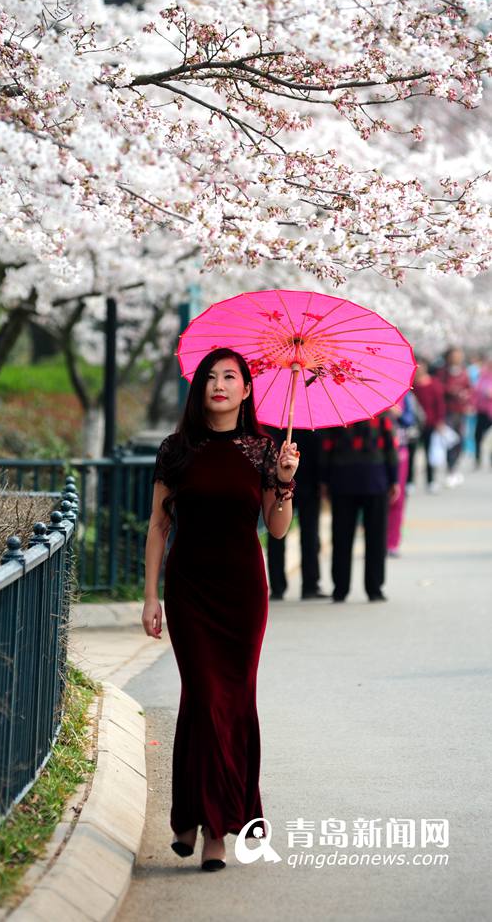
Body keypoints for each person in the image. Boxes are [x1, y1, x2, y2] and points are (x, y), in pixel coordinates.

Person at [143, 347, 299, 872]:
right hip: (189, 590)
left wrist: (283, 481)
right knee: (204, 696)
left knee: (231, 701)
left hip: (242, 593)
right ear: (199, 389)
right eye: (211, 376)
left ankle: (208, 823)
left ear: (247, 390)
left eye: (230, 377)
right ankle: (203, 817)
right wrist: (150, 596)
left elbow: (276, 529)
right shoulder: (176, 449)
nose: (220, 384)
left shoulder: (263, 450)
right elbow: (159, 528)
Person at [320, 413, 400, 603]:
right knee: (376, 537)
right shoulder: (380, 413)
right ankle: (374, 589)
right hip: (375, 479)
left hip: (342, 481)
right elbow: (391, 446)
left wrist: (324, 479)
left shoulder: (337, 413)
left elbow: (326, 447)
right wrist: (394, 478)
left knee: (341, 537)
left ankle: (340, 589)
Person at [263, 425, 328, 600]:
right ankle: (287, 585)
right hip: (283, 481)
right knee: (279, 533)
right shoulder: (309, 417)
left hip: (307, 482)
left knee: (309, 536)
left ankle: (304, 584)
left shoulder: (278, 417)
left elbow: (320, 449)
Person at [436, 347, 475, 487]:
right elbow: (439, 388)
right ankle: (450, 468)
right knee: (450, 440)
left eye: (459, 355)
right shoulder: (443, 372)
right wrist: (452, 391)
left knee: (461, 440)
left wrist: (467, 397)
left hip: (461, 411)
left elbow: (470, 389)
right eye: (455, 355)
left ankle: (454, 466)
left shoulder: (464, 372)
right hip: (448, 411)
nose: (457, 358)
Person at [387, 393, 416, 556]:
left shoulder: (405, 395)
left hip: (400, 451)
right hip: (379, 453)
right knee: (378, 498)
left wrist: (400, 414)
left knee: (398, 498)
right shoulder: (370, 392)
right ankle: (378, 540)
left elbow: (410, 420)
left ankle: (393, 542)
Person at [412, 358, 445, 493]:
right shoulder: (412, 385)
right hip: (414, 425)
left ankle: (431, 480)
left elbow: (440, 404)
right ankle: (410, 481)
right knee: (412, 453)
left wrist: (439, 421)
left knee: (429, 452)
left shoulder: (434, 384)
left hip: (430, 423)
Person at [474, 353, 492, 469]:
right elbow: (476, 390)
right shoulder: (483, 375)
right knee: (478, 435)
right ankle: (477, 458)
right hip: (481, 410)